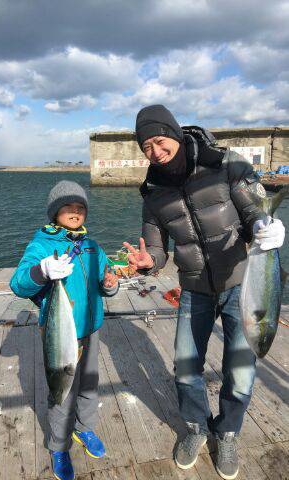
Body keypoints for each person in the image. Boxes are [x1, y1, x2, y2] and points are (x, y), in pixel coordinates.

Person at [124, 105, 285, 480]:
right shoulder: (152, 194)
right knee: (185, 367)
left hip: (242, 285)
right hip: (194, 288)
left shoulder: (227, 164)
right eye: (145, 146)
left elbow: (254, 213)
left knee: (241, 369)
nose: (154, 151)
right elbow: (158, 250)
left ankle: (227, 432)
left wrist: (269, 226)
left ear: (176, 134)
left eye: (159, 140)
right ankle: (196, 427)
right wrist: (150, 263)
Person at [10, 180, 119, 480]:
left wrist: (111, 285)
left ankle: (84, 430)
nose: (75, 211)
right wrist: (41, 271)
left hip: (90, 329)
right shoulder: (42, 245)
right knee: (61, 391)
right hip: (59, 335)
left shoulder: (92, 247)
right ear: (55, 212)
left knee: (88, 385)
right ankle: (58, 445)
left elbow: (106, 279)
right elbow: (18, 283)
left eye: (80, 207)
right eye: (68, 207)